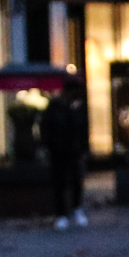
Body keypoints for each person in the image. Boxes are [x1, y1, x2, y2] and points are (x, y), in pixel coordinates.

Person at [48, 78, 89, 229]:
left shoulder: (76, 107)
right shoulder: (57, 107)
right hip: (61, 152)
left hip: (72, 152)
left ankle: (74, 210)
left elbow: (82, 129)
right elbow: (48, 128)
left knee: (75, 181)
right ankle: (62, 214)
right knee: (61, 183)